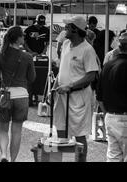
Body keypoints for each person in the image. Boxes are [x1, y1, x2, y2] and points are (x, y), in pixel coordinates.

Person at [52, 16, 99, 162]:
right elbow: (62, 69)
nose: (64, 28)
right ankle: (64, 160)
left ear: (76, 29)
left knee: (79, 136)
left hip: (78, 97)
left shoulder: (87, 49)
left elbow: (92, 75)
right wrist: (54, 87)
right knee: (60, 131)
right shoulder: (66, 44)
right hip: (61, 95)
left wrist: (70, 86)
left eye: (68, 26)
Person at [0, 26, 36, 162]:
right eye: (22, 35)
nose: (24, 37)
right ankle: (13, 160)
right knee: (17, 131)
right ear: (17, 38)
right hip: (22, 96)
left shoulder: (0, 55)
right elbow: (32, 78)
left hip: (5, 96)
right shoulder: (27, 57)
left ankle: (3, 155)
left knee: (3, 129)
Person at [96, 32, 127, 162]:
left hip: (111, 116)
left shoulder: (108, 65)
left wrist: (107, 113)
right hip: (124, 117)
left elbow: (99, 97)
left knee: (113, 156)